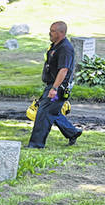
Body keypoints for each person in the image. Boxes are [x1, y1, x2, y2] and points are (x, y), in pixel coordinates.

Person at [27, 21, 82, 149]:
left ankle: (36, 145)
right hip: (53, 86)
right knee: (52, 111)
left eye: (52, 31)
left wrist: (54, 88)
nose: (49, 33)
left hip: (58, 88)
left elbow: (64, 70)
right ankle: (73, 133)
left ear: (61, 33)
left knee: (43, 113)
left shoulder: (65, 49)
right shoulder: (56, 46)